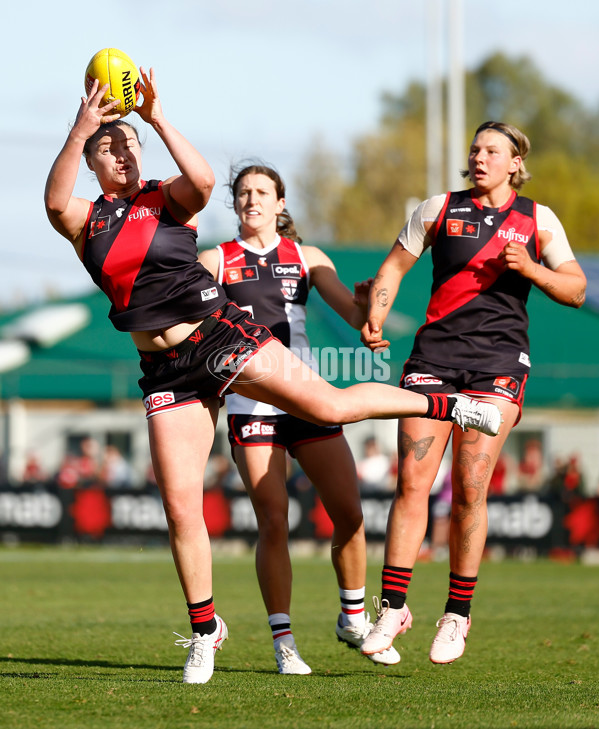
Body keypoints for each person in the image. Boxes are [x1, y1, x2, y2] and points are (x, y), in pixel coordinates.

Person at [44, 71, 501, 685]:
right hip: (164, 371)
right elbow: (53, 202)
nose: (122, 154)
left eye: (129, 146)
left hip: (219, 336)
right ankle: (206, 632)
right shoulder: (85, 219)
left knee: (333, 407)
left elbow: (204, 180)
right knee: (181, 509)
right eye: (110, 147)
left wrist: (154, 116)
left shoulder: (164, 197)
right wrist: (82, 128)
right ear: (95, 159)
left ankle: (449, 406)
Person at [360, 121, 587, 665]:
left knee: (470, 487)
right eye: (475, 149)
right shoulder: (438, 208)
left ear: (515, 162)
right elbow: (393, 266)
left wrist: (533, 268)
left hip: (498, 366)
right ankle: (392, 607)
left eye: (492, 151)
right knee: (412, 481)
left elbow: (576, 289)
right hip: (433, 360)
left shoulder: (538, 220)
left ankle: (457, 616)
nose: (479, 157)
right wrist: (376, 314)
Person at [198, 163, 400, 674]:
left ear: (281, 203)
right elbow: (190, 322)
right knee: (274, 520)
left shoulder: (307, 258)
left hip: (308, 398)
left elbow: (356, 318)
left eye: (262, 192)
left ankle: (352, 618)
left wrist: (367, 308)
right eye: (243, 193)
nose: (252, 200)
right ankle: (284, 642)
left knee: (350, 513)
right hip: (249, 402)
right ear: (235, 203)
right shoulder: (215, 261)